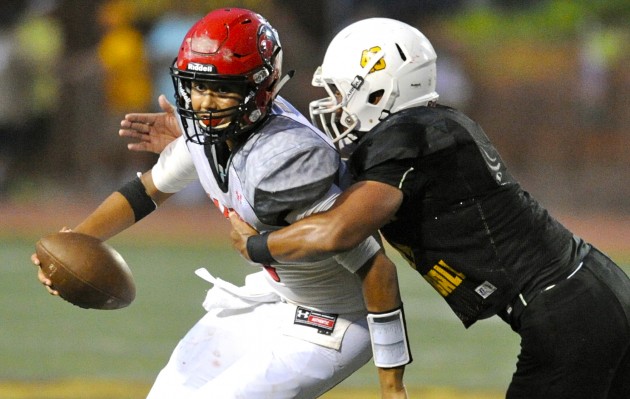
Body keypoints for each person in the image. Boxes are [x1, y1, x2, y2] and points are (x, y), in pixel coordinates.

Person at [229, 18, 630, 399]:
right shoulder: (429, 127)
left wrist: (258, 246)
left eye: (338, 92)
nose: (333, 106)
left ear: (377, 89)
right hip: (592, 292)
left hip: (568, 311)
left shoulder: (408, 135)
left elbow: (337, 231)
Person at [32, 9, 409, 399]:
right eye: (198, 85)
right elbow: (146, 192)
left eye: (223, 89)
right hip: (273, 299)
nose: (207, 103)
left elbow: (376, 268)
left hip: (330, 324)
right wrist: (74, 243)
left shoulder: (285, 159)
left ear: (260, 88)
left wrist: (391, 385)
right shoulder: (209, 131)